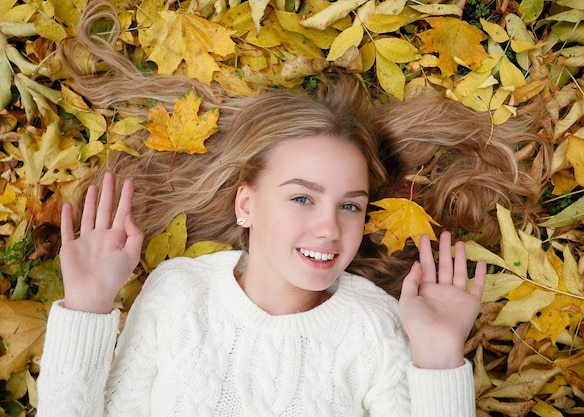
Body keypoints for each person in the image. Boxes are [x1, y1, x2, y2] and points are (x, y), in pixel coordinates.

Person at [36, 1, 551, 415]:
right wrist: (87, 304)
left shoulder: (371, 324)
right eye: (302, 197)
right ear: (247, 203)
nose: (329, 227)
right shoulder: (178, 292)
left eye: (350, 206)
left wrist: (439, 356)